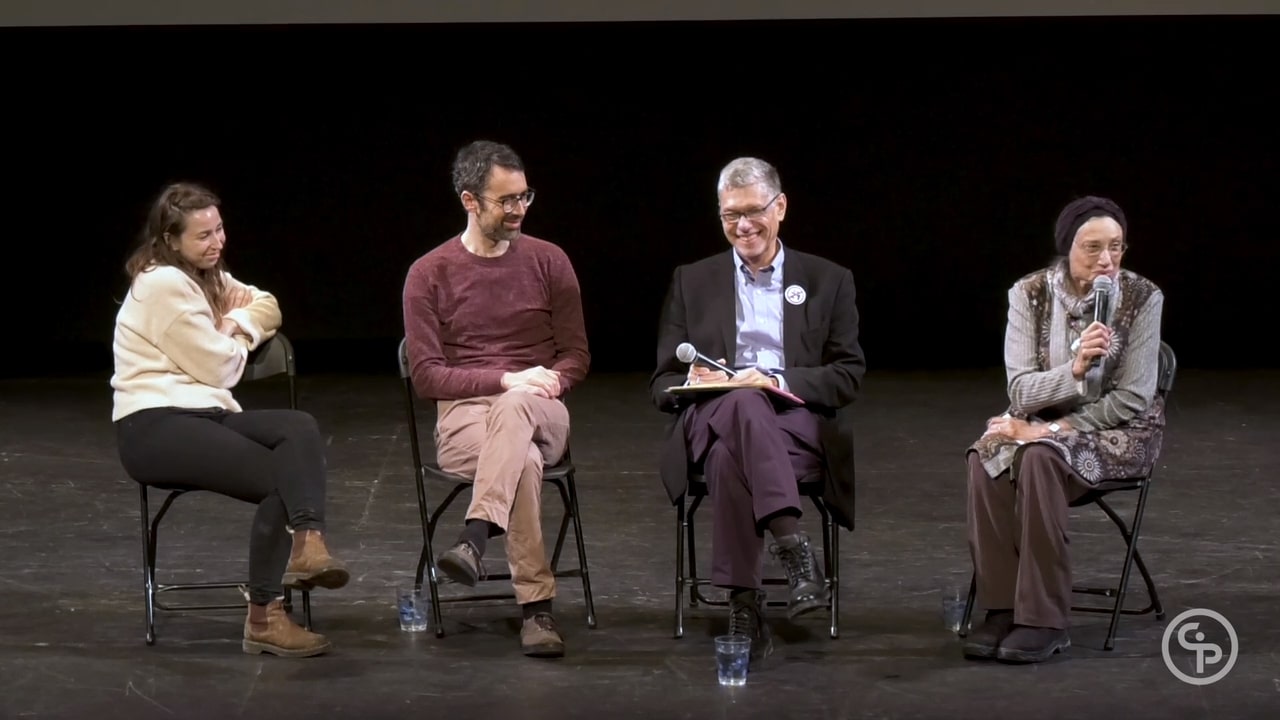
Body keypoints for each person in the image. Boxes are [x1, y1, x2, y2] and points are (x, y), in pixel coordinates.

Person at [111, 182, 349, 659]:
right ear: (171, 240)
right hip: (154, 424)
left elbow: (266, 303)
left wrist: (235, 325)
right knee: (284, 478)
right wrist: (236, 344)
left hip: (203, 413)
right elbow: (220, 367)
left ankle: (308, 543)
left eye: (219, 229)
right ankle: (265, 616)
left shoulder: (208, 277)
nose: (216, 242)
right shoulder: (162, 284)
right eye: (203, 236)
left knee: (298, 426)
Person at [648, 157, 866, 665]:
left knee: (731, 457)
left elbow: (848, 375)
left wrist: (774, 380)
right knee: (740, 401)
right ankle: (792, 547)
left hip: (795, 424)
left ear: (780, 207)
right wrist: (692, 382)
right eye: (729, 215)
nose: (742, 226)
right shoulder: (693, 280)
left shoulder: (828, 280)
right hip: (710, 416)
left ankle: (743, 604)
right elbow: (661, 383)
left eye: (752, 212)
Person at [402, 140, 590, 658]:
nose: (519, 210)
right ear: (470, 201)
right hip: (465, 423)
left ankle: (475, 536)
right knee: (522, 458)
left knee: (519, 415)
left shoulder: (549, 261)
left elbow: (576, 354)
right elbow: (427, 376)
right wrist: (507, 380)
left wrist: (549, 381)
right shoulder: (429, 273)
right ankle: (537, 611)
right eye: (506, 200)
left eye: (524, 196)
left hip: (541, 409)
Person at [963, 195, 1165, 664]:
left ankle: (1044, 618)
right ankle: (1001, 606)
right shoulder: (1028, 293)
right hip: (1042, 419)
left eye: (1116, 247)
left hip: (1120, 430)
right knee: (986, 454)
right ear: (1066, 248)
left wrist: (1056, 428)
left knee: (1039, 458)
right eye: (1092, 248)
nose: (1107, 260)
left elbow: (1133, 397)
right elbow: (1020, 391)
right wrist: (1073, 370)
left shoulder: (1142, 296)